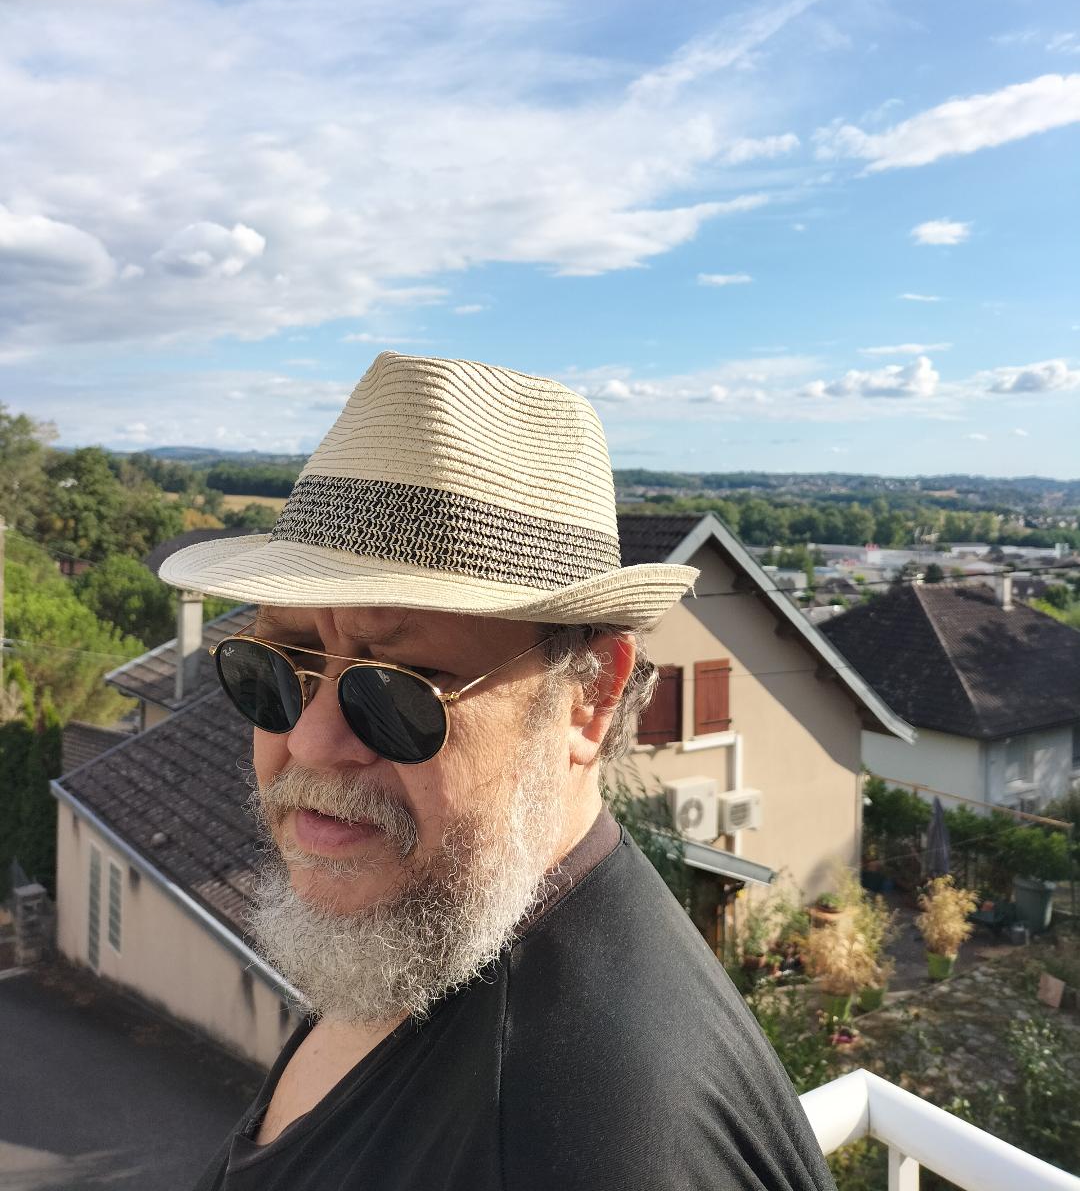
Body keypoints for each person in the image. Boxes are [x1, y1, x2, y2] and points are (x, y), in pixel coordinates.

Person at [160, 351, 836, 1191]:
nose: (311, 741)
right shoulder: (427, 937)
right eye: (277, 666)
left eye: (399, 688)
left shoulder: (585, 1139)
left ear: (589, 696)